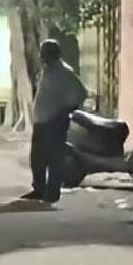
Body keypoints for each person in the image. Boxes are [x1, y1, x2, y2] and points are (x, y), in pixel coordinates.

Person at [27, 38, 87, 204]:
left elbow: (81, 93)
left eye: (46, 53)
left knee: (54, 159)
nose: (42, 56)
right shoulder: (47, 71)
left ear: (55, 54)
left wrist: (65, 110)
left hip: (55, 121)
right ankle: (39, 189)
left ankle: (52, 192)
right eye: (43, 53)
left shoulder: (65, 73)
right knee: (37, 158)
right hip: (41, 121)